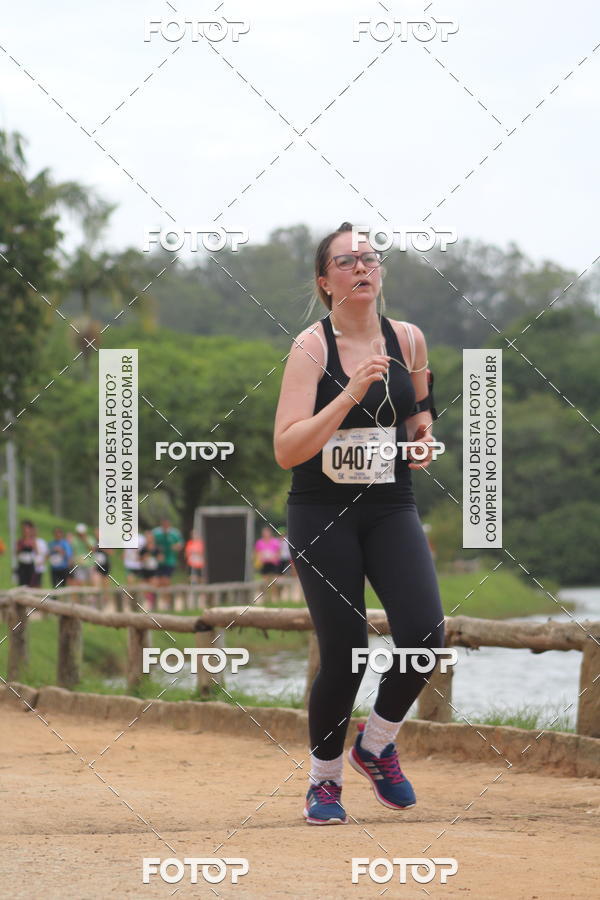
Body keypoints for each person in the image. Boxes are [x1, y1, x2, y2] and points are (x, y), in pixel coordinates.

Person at [274, 222, 444, 825]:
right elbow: (288, 449)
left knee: (426, 636)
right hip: (321, 510)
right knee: (344, 650)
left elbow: (419, 412)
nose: (362, 268)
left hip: (390, 503)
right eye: (346, 262)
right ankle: (323, 782)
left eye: (370, 259)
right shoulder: (310, 349)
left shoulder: (409, 340)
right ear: (326, 282)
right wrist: (347, 395)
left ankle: (375, 745)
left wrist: (422, 439)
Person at [152, 518, 183, 586]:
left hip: (170, 560)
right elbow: (151, 544)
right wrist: (157, 552)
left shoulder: (175, 533)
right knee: (158, 580)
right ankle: (160, 595)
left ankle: (166, 595)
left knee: (166, 579)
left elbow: (180, 544)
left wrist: (175, 547)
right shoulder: (156, 532)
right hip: (158, 560)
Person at [254, 525, 282, 602]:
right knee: (265, 582)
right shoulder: (259, 542)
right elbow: (257, 553)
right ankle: (266, 599)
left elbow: (278, 553)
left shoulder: (275, 541)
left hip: (273, 564)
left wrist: (274, 557)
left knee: (274, 582)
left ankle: (276, 598)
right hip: (264, 564)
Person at [15, 520, 37, 587]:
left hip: (30, 564)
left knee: (30, 583)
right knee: (22, 583)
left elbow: (37, 552)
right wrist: (21, 547)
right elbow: (16, 553)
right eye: (24, 529)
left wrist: (31, 545)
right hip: (22, 564)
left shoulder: (32, 540)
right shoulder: (20, 541)